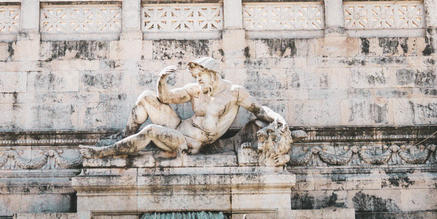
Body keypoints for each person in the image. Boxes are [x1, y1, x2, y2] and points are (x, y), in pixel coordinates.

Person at [81, 57, 287, 159]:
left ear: (212, 74)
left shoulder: (234, 93)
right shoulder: (196, 90)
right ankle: (125, 137)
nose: (198, 80)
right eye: (195, 77)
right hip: (178, 126)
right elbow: (165, 97)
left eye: (200, 76)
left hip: (188, 142)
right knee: (146, 97)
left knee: (151, 130)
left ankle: (103, 153)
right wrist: (161, 80)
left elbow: (260, 111)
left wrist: (278, 119)